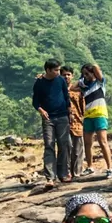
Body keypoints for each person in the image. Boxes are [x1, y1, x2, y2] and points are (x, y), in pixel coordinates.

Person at [32, 59, 72, 188]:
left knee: (63, 145)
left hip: (62, 116)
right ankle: (50, 177)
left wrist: (69, 111)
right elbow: (35, 101)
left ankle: (63, 174)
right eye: (55, 70)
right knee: (49, 145)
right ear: (48, 70)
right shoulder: (39, 83)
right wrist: (41, 110)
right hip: (48, 118)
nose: (58, 72)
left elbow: (66, 96)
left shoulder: (60, 80)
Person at [75, 64, 112, 179]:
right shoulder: (84, 87)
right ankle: (90, 166)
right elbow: (72, 87)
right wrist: (81, 80)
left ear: (93, 73)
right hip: (88, 116)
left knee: (103, 142)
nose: (86, 76)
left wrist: (91, 67)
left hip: (100, 115)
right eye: (84, 74)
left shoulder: (99, 83)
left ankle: (109, 168)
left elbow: (96, 67)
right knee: (87, 143)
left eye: (88, 73)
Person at [61, 66, 86, 180]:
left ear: (72, 76)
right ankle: (66, 173)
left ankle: (77, 173)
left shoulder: (77, 90)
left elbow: (82, 105)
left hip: (77, 122)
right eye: (64, 74)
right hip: (63, 122)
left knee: (78, 149)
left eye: (68, 74)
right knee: (66, 148)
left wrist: (83, 118)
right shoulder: (58, 89)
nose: (66, 76)